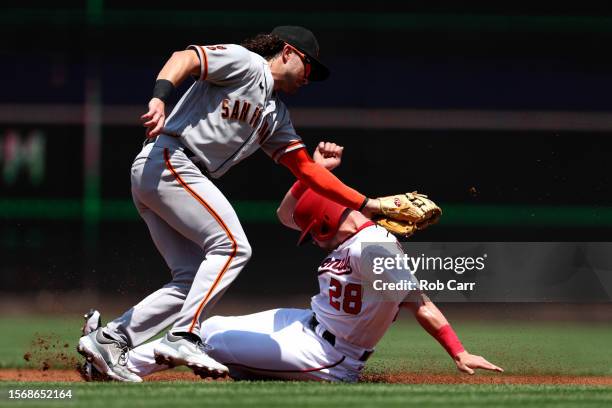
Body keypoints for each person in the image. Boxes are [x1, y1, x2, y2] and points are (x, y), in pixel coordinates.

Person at [77, 26, 383, 383]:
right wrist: (160, 98)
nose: (310, 78)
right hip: (172, 160)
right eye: (309, 67)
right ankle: (183, 336)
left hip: (170, 173)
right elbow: (185, 58)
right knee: (234, 247)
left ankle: (110, 340)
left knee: (191, 279)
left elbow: (307, 172)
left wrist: (369, 204)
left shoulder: (275, 114)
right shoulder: (246, 63)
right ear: (287, 52)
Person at [81, 142, 503, 382]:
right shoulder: (358, 235)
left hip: (330, 355)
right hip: (305, 325)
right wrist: (313, 173)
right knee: (206, 326)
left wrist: (458, 352)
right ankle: (115, 350)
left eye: (311, 233)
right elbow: (287, 215)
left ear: (322, 227)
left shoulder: (372, 248)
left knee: (208, 343)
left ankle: (112, 366)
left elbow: (421, 304)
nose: (310, 239)